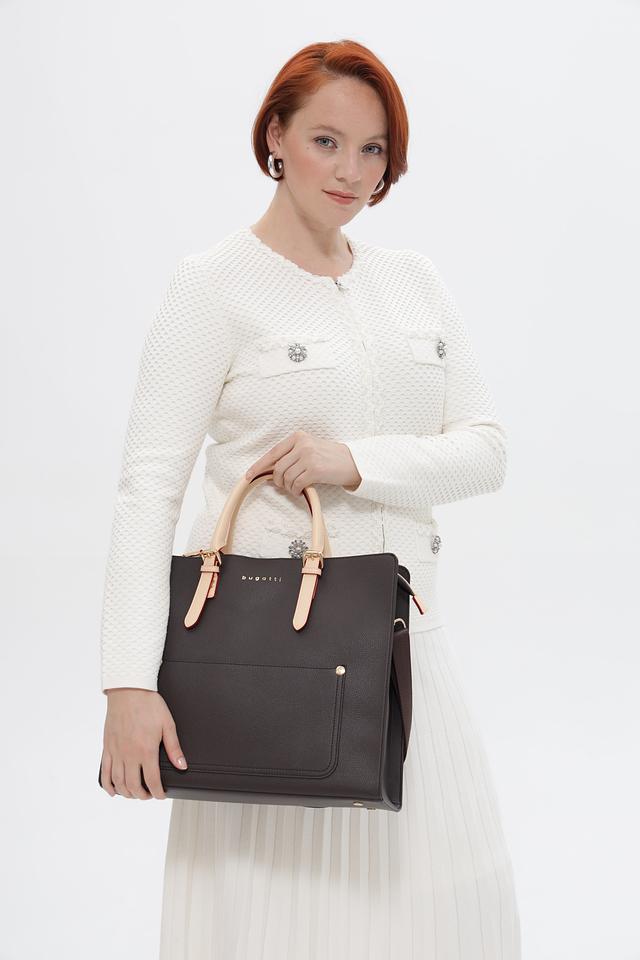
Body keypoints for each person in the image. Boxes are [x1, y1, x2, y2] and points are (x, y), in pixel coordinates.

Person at [98, 38, 521, 960]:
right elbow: (147, 489)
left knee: (440, 916)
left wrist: (350, 461)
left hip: (408, 652)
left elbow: (486, 451)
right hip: (270, 670)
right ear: (276, 137)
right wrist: (129, 683)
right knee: (278, 924)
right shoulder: (212, 286)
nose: (351, 172)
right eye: (327, 141)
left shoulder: (414, 282)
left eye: (373, 150)